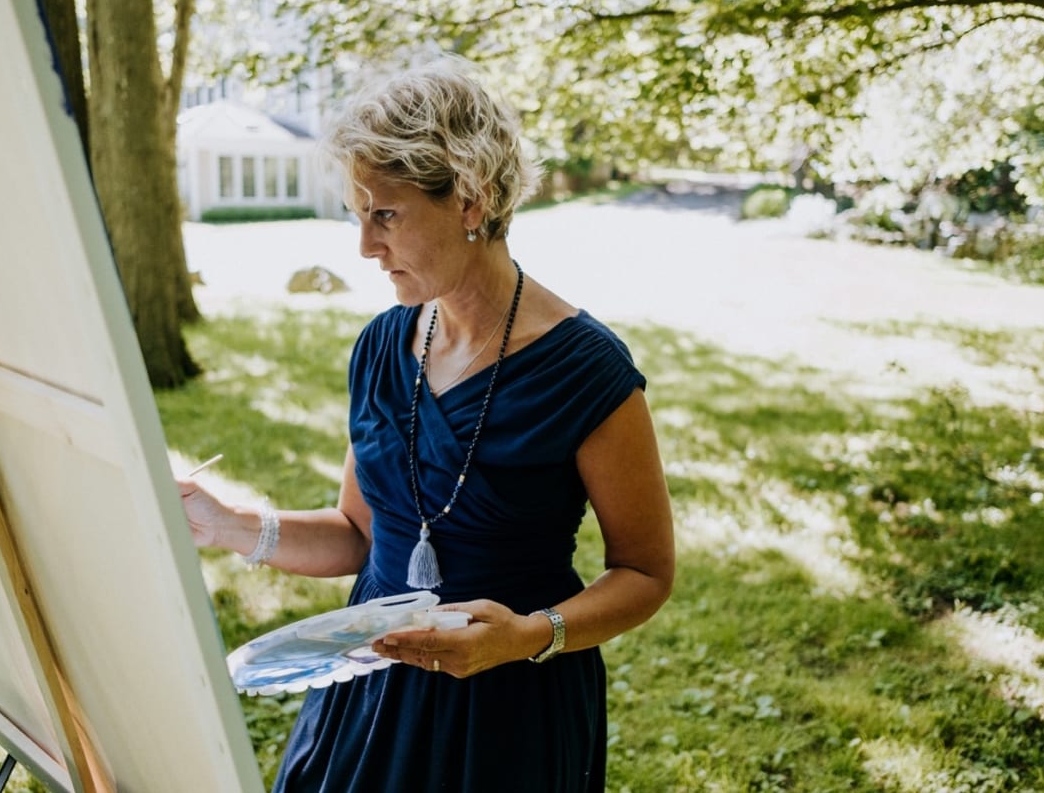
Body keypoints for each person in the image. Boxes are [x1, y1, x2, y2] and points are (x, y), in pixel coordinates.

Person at [178, 56, 674, 792]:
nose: (365, 247)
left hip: (509, 713)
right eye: (358, 216)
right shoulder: (383, 346)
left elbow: (645, 572)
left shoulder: (587, 371)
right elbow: (361, 535)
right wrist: (230, 526)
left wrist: (529, 638)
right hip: (369, 693)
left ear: (471, 200)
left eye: (385, 215)